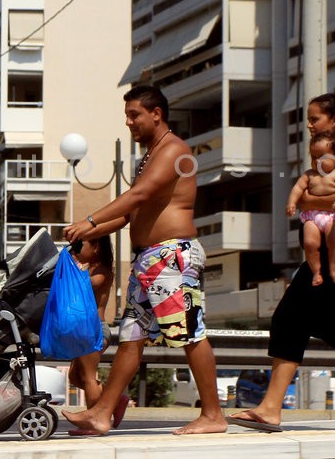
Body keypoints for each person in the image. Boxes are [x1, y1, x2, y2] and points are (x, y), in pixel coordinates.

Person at [61, 84, 228, 436]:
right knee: (131, 337)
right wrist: (86, 232)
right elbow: (128, 214)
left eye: (134, 115)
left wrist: (88, 221)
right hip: (151, 260)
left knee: (189, 335)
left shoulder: (174, 150)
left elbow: (139, 194)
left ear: (157, 114)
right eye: (126, 115)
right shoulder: (150, 156)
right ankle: (101, 413)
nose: (129, 122)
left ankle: (213, 414)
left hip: (172, 257)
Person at [227, 92, 335, 433]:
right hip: (323, 257)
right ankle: (271, 408)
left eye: (315, 118)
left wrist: (309, 197)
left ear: (334, 121)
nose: (308, 124)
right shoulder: (320, 160)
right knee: (291, 319)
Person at [65, 235, 131, 436]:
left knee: (87, 377)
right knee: (75, 376)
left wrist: (71, 269)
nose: (75, 250)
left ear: (96, 248)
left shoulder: (101, 271)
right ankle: (115, 399)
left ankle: (94, 422)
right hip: (84, 329)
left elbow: (85, 287)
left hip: (93, 329)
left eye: (79, 245)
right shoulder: (88, 269)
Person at [286, 130, 335, 286]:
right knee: (309, 243)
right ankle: (316, 271)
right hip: (312, 216)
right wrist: (291, 203)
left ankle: (334, 270)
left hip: (333, 215)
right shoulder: (309, 175)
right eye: (314, 157)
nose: (317, 161)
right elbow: (297, 189)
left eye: (322, 157)